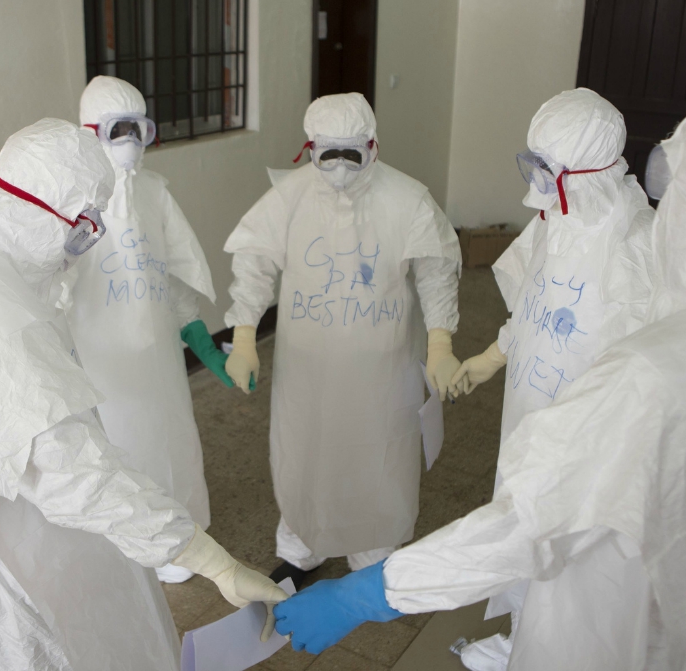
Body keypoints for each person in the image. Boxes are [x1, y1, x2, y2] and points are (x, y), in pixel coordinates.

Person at [273, 86, 686, 671]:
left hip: (619, 617)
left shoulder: (655, 367)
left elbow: (534, 521)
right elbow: (536, 304)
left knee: (571, 593)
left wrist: (375, 592)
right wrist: (494, 356)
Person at [0, 119, 287, 671]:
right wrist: (213, 561)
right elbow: (77, 479)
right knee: (76, 647)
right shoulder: (3, 327)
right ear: (37, 211)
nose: (85, 245)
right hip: (42, 541)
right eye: (82, 228)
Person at [448, 89, 654, 670]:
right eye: (532, 165)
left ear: (586, 172)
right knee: (524, 522)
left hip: (592, 438)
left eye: (547, 171)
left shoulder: (638, 247)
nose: (533, 186)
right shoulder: (555, 220)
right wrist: (493, 355)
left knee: (575, 548)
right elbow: (534, 308)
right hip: (529, 412)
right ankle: (521, 638)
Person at [222, 92, 462, 585]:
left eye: (350, 155)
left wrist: (441, 342)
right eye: (326, 155)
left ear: (372, 146)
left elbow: (438, 273)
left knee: (377, 449)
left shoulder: (407, 198)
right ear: (309, 148)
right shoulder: (290, 197)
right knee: (305, 447)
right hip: (306, 365)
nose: (338, 169)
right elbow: (254, 261)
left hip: (383, 367)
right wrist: (244, 333)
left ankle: (373, 544)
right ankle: (301, 541)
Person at [68, 75, 225, 583]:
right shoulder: (66, 203)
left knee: (168, 442)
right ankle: (120, 547)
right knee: (114, 446)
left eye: (138, 128)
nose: (130, 141)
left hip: (158, 361)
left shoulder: (154, 194)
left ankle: (175, 541)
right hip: (99, 361)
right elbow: (45, 288)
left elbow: (170, 274)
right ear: (90, 132)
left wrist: (198, 335)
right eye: (118, 129)